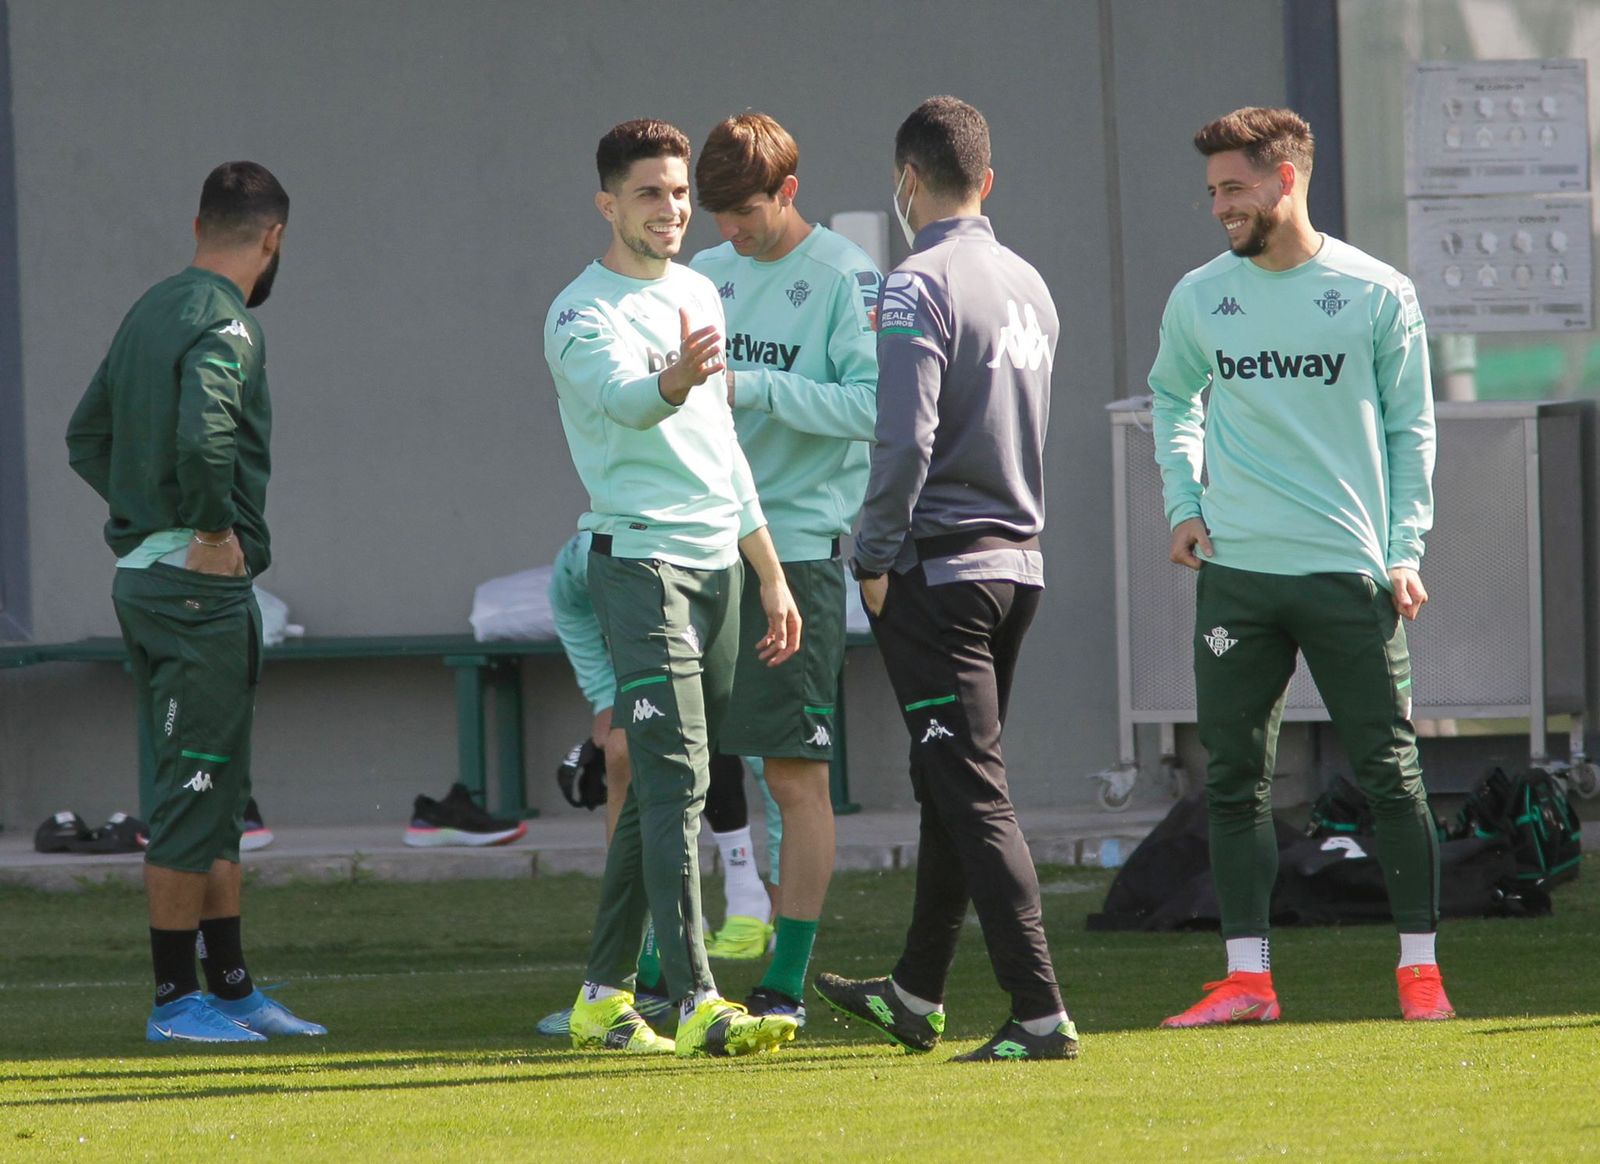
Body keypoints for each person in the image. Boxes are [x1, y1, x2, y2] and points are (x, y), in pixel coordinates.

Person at [1147, 107, 1448, 1026]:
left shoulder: (1376, 292)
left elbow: (1412, 432)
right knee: (1233, 781)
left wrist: (1404, 551)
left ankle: (1420, 971)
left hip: (1350, 575)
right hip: (1237, 576)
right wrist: (1183, 502)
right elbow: (1172, 395)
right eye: (1211, 193)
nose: (1218, 208)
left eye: (1233, 189)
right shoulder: (1200, 295)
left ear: (1287, 180)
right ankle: (1249, 981)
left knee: (1391, 773)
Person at [813, 97, 1078, 1062]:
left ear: (907, 182)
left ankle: (1040, 1014)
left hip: (937, 570)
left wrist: (872, 556)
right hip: (1018, 567)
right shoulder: (1031, 285)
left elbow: (905, 439)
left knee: (972, 790)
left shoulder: (912, 284)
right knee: (947, 784)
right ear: (989, 180)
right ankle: (916, 993)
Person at [542, 118, 801, 1059]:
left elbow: (722, 446)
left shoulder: (700, 290)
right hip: (640, 563)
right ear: (608, 203)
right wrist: (675, 377)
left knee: (667, 789)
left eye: (681, 192)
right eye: (651, 193)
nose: (673, 209)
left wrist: (769, 571)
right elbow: (620, 399)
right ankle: (697, 999)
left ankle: (602, 998)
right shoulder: (579, 312)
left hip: (721, 566)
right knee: (681, 778)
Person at [65, 161, 324, 1043]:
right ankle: (178, 1000)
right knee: (197, 785)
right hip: (193, 589)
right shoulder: (228, 324)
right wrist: (205, 529)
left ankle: (234, 988)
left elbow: (85, 435)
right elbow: (206, 429)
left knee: (215, 791)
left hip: (151, 574)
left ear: (196, 226)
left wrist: (142, 515)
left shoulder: (151, 310)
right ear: (273, 237)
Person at [689, 112, 883, 1021]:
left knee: (791, 775)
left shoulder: (847, 277)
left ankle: (782, 984)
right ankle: (658, 975)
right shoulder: (702, 276)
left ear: (790, 193)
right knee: (658, 767)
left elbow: (873, 407)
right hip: (696, 546)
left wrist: (752, 384)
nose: (733, 232)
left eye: (750, 213)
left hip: (798, 549)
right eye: (719, 214)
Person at [532, 529, 784, 1037]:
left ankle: (765, 940)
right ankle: (639, 979)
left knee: (762, 759)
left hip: (719, 583)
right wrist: (605, 698)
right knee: (632, 755)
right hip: (656, 582)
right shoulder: (582, 563)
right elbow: (575, 616)